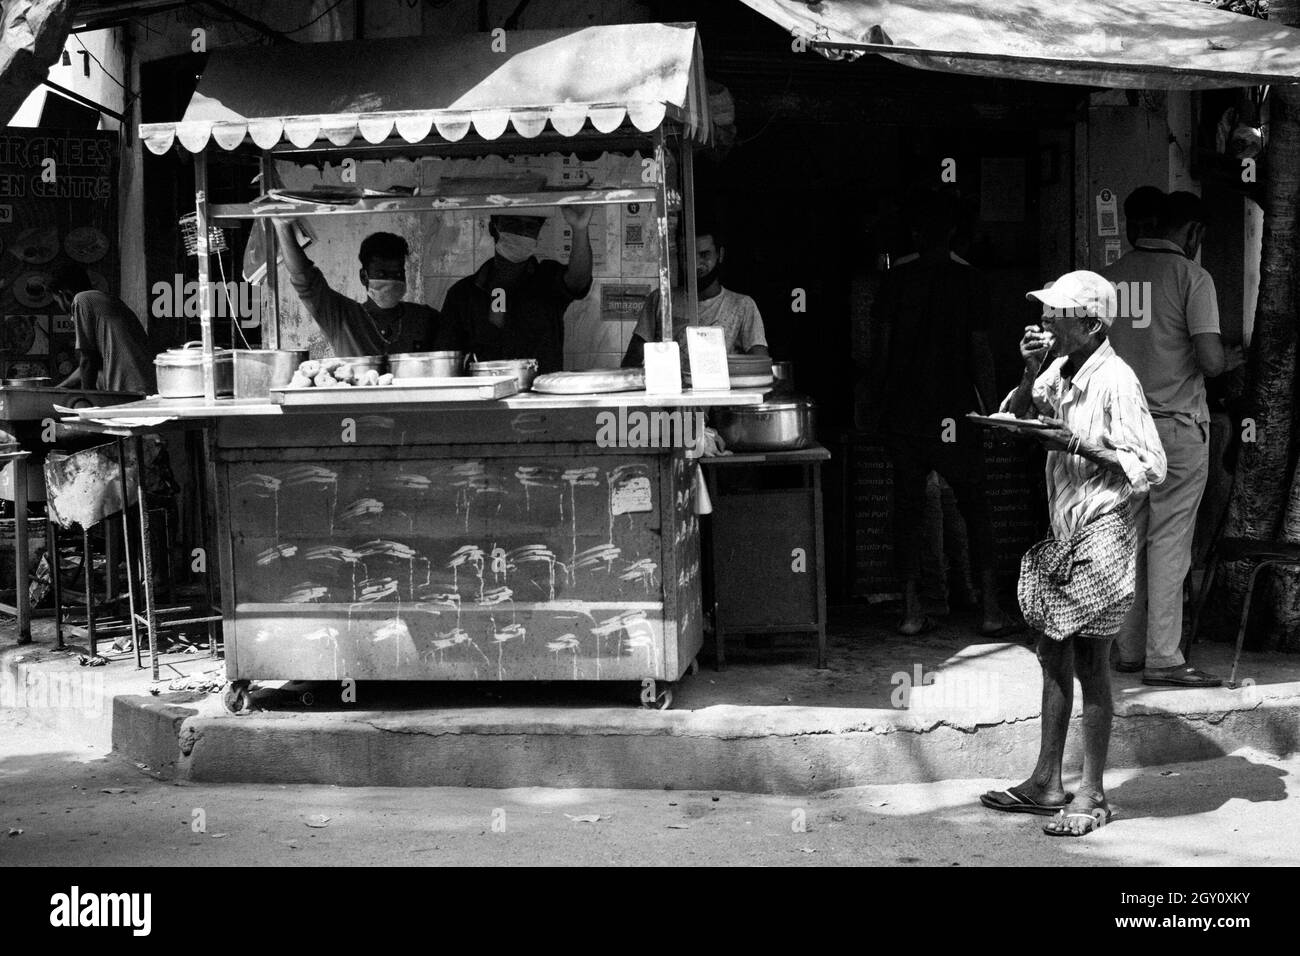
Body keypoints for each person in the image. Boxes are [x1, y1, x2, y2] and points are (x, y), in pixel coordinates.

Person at [981, 270, 1166, 836]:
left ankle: (1092, 793)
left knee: (1089, 660)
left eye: (1056, 315)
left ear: (1088, 322)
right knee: (1052, 650)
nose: (1045, 322)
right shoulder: (1063, 369)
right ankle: (1045, 782)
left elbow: (1152, 464)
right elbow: (1020, 414)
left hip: (1105, 528)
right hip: (1068, 527)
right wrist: (1032, 366)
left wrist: (1081, 444)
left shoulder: (1117, 380)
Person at [1104, 191, 1240, 688]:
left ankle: (1128, 650)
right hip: (1175, 430)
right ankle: (1164, 657)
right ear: (1194, 234)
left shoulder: (1112, 277)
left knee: (1129, 541)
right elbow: (1210, 361)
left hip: (1120, 432)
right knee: (1170, 543)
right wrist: (1230, 359)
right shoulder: (1192, 277)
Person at [868, 190, 1015, 637]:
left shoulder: (896, 280)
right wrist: (992, 412)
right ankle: (990, 610)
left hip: (907, 413)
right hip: (956, 411)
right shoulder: (969, 281)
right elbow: (980, 351)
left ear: (914, 232)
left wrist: (876, 406)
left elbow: (881, 349)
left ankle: (912, 612)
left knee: (908, 510)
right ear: (953, 231)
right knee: (977, 509)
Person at [441, 211, 593, 375]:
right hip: (484, 395)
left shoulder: (547, 280)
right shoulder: (463, 295)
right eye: (513, 224)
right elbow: (446, 362)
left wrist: (580, 229)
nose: (522, 232)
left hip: (539, 395)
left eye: (530, 227)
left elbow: (578, 280)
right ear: (494, 228)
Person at [271, 221, 443, 356]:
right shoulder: (343, 318)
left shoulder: (424, 318)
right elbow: (305, 279)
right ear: (364, 277)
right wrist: (282, 226)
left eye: (397, 274)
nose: (391, 280)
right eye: (382, 274)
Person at [622, 221, 768, 366]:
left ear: (720, 255)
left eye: (704, 255)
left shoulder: (742, 306)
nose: (696, 264)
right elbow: (631, 365)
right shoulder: (660, 300)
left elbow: (760, 365)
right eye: (687, 256)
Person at [51, 262, 155, 394]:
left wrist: (87, 398)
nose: (60, 306)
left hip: (129, 390)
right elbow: (91, 363)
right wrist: (59, 387)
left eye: (57, 301)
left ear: (63, 294)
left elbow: (88, 360)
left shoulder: (81, 299)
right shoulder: (106, 299)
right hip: (146, 384)